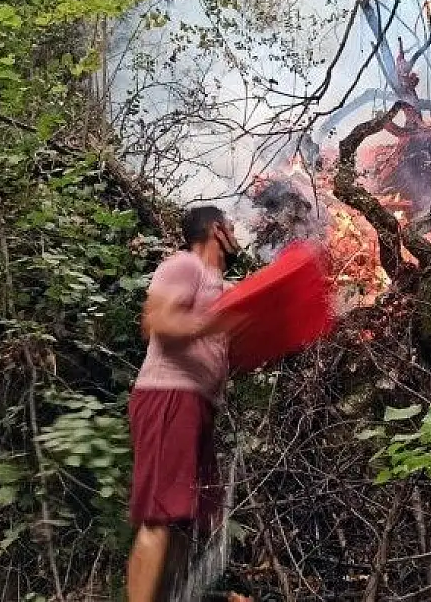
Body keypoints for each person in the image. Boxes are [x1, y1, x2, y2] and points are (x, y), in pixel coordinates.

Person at [127, 205, 250, 602]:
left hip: (199, 404)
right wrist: (212, 323)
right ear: (216, 229)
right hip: (168, 395)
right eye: (230, 226)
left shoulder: (221, 288)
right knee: (159, 517)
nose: (235, 233)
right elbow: (155, 323)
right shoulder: (185, 265)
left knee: (185, 520)